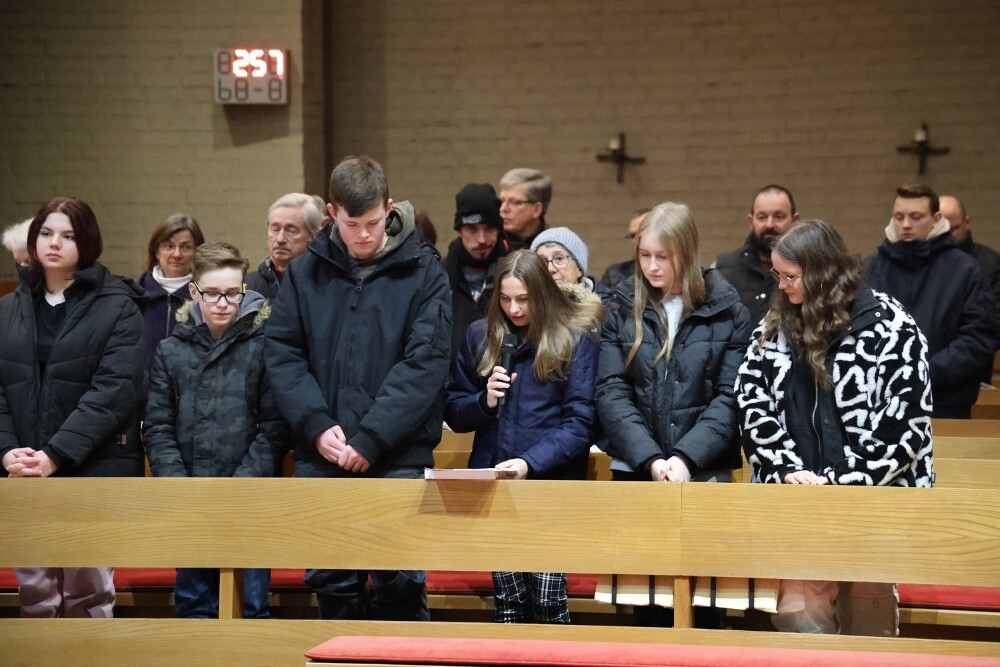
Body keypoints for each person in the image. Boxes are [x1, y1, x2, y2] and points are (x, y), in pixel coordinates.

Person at [265, 155, 452, 621]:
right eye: (352, 225)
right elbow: (283, 354)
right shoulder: (305, 273)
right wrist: (314, 423)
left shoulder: (424, 271)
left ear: (389, 208)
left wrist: (371, 437)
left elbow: (424, 365)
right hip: (323, 452)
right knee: (330, 581)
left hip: (397, 454)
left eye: (373, 222)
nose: (364, 235)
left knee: (400, 579)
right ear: (332, 214)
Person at [736, 219, 934, 636]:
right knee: (800, 614)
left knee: (868, 615)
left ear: (823, 272)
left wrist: (841, 479)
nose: (782, 286)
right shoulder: (775, 326)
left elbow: (905, 427)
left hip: (872, 501)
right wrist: (783, 467)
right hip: (800, 498)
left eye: (791, 277)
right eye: (777, 275)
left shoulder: (891, 326)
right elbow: (752, 401)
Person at [596, 202, 750, 627]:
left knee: (706, 606)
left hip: (704, 471)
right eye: (644, 255)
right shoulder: (622, 307)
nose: (651, 267)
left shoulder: (728, 310)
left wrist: (684, 458)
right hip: (637, 470)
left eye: (662, 257)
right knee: (645, 605)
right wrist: (651, 459)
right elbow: (611, 391)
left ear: (687, 252)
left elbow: (729, 397)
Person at [0, 196, 145, 618]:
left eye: (68, 236)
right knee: (36, 593)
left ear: (88, 243)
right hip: (25, 467)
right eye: (46, 233)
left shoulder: (118, 306)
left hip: (93, 465)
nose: (54, 243)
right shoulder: (8, 308)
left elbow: (113, 392)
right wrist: (8, 451)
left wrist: (55, 455)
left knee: (89, 594)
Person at [445, 250, 603, 624]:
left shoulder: (574, 339)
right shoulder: (480, 335)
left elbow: (580, 423)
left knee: (548, 600)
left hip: (551, 486)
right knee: (509, 600)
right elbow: (453, 409)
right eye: (505, 299)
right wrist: (484, 402)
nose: (514, 309)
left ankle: (556, 655)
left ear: (542, 294)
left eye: (523, 299)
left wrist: (528, 463)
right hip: (496, 485)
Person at [144, 241, 287, 619]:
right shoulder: (171, 351)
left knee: (250, 607)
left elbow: (274, 428)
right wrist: (180, 486)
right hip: (189, 499)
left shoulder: (264, 348)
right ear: (194, 292)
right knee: (194, 607)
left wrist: (238, 488)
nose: (223, 303)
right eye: (212, 293)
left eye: (232, 293)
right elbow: (157, 426)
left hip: (248, 500)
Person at [864, 185, 997, 419]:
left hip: (945, 402)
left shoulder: (966, 270)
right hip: (881, 402)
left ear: (936, 219)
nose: (906, 224)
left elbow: (978, 337)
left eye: (916, 217)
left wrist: (924, 372)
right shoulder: (871, 269)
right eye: (899, 217)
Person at [715, 185, 800, 326]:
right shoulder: (723, 269)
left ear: (795, 220)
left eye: (778, 216)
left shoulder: (806, 269)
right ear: (751, 222)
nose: (770, 224)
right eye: (762, 217)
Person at [444, 183, 508, 360]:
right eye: (472, 229)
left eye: (489, 228)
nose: (482, 239)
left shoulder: (515, 273)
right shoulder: (440, 275)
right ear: (460, 230)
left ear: (498, 230)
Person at [940, 194, 1000, 382]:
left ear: (966, 222)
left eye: (952, 229)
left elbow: (993, 326)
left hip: (973, 372)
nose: (946, 236)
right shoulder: (924, 262)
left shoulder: (990, 262)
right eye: (940, 229)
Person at [138, 213, 205, 373]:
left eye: (186, 247)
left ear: (197, 253)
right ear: (156, 251)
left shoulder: (207, 299)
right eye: (169, 246)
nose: (177, 254)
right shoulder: (134, 296)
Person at [246, 193, 323, 300]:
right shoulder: (246, 285)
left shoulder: (329, 285)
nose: (280, 239)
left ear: (313, 237)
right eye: (275, 230)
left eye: (291, 231)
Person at [531, 227, 608, 301]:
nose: (550, 269)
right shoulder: (527, 305)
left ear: (579, 269)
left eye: (559, 258)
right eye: (542, 262)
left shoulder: (608, 307)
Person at [498, 168, 551, 251]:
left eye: (514, 202)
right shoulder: (489, 246)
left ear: (536, 209)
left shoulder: (554, 247)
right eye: (501, 201)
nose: (503, 209)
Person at [600, 209, 649, 290]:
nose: (635, 241)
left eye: (640, 233)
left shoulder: (670, 272)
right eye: (632, 236)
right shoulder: (614, 274)